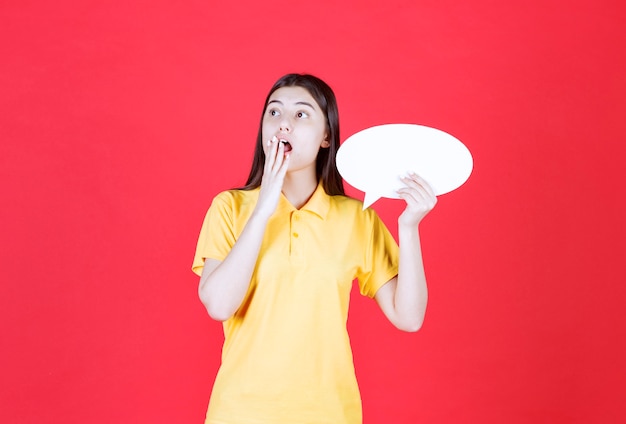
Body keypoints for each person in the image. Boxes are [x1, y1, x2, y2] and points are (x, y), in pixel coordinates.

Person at [192, 73, 436, 424]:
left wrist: (408, 226)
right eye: (273, 113)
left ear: (326, 137)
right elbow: (218, 304)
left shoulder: (356, 218)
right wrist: (263, 209)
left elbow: (409, 317)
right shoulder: (229, 207)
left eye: (301, 114)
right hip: (241, 412)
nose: (283, 124)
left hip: (331, 413)